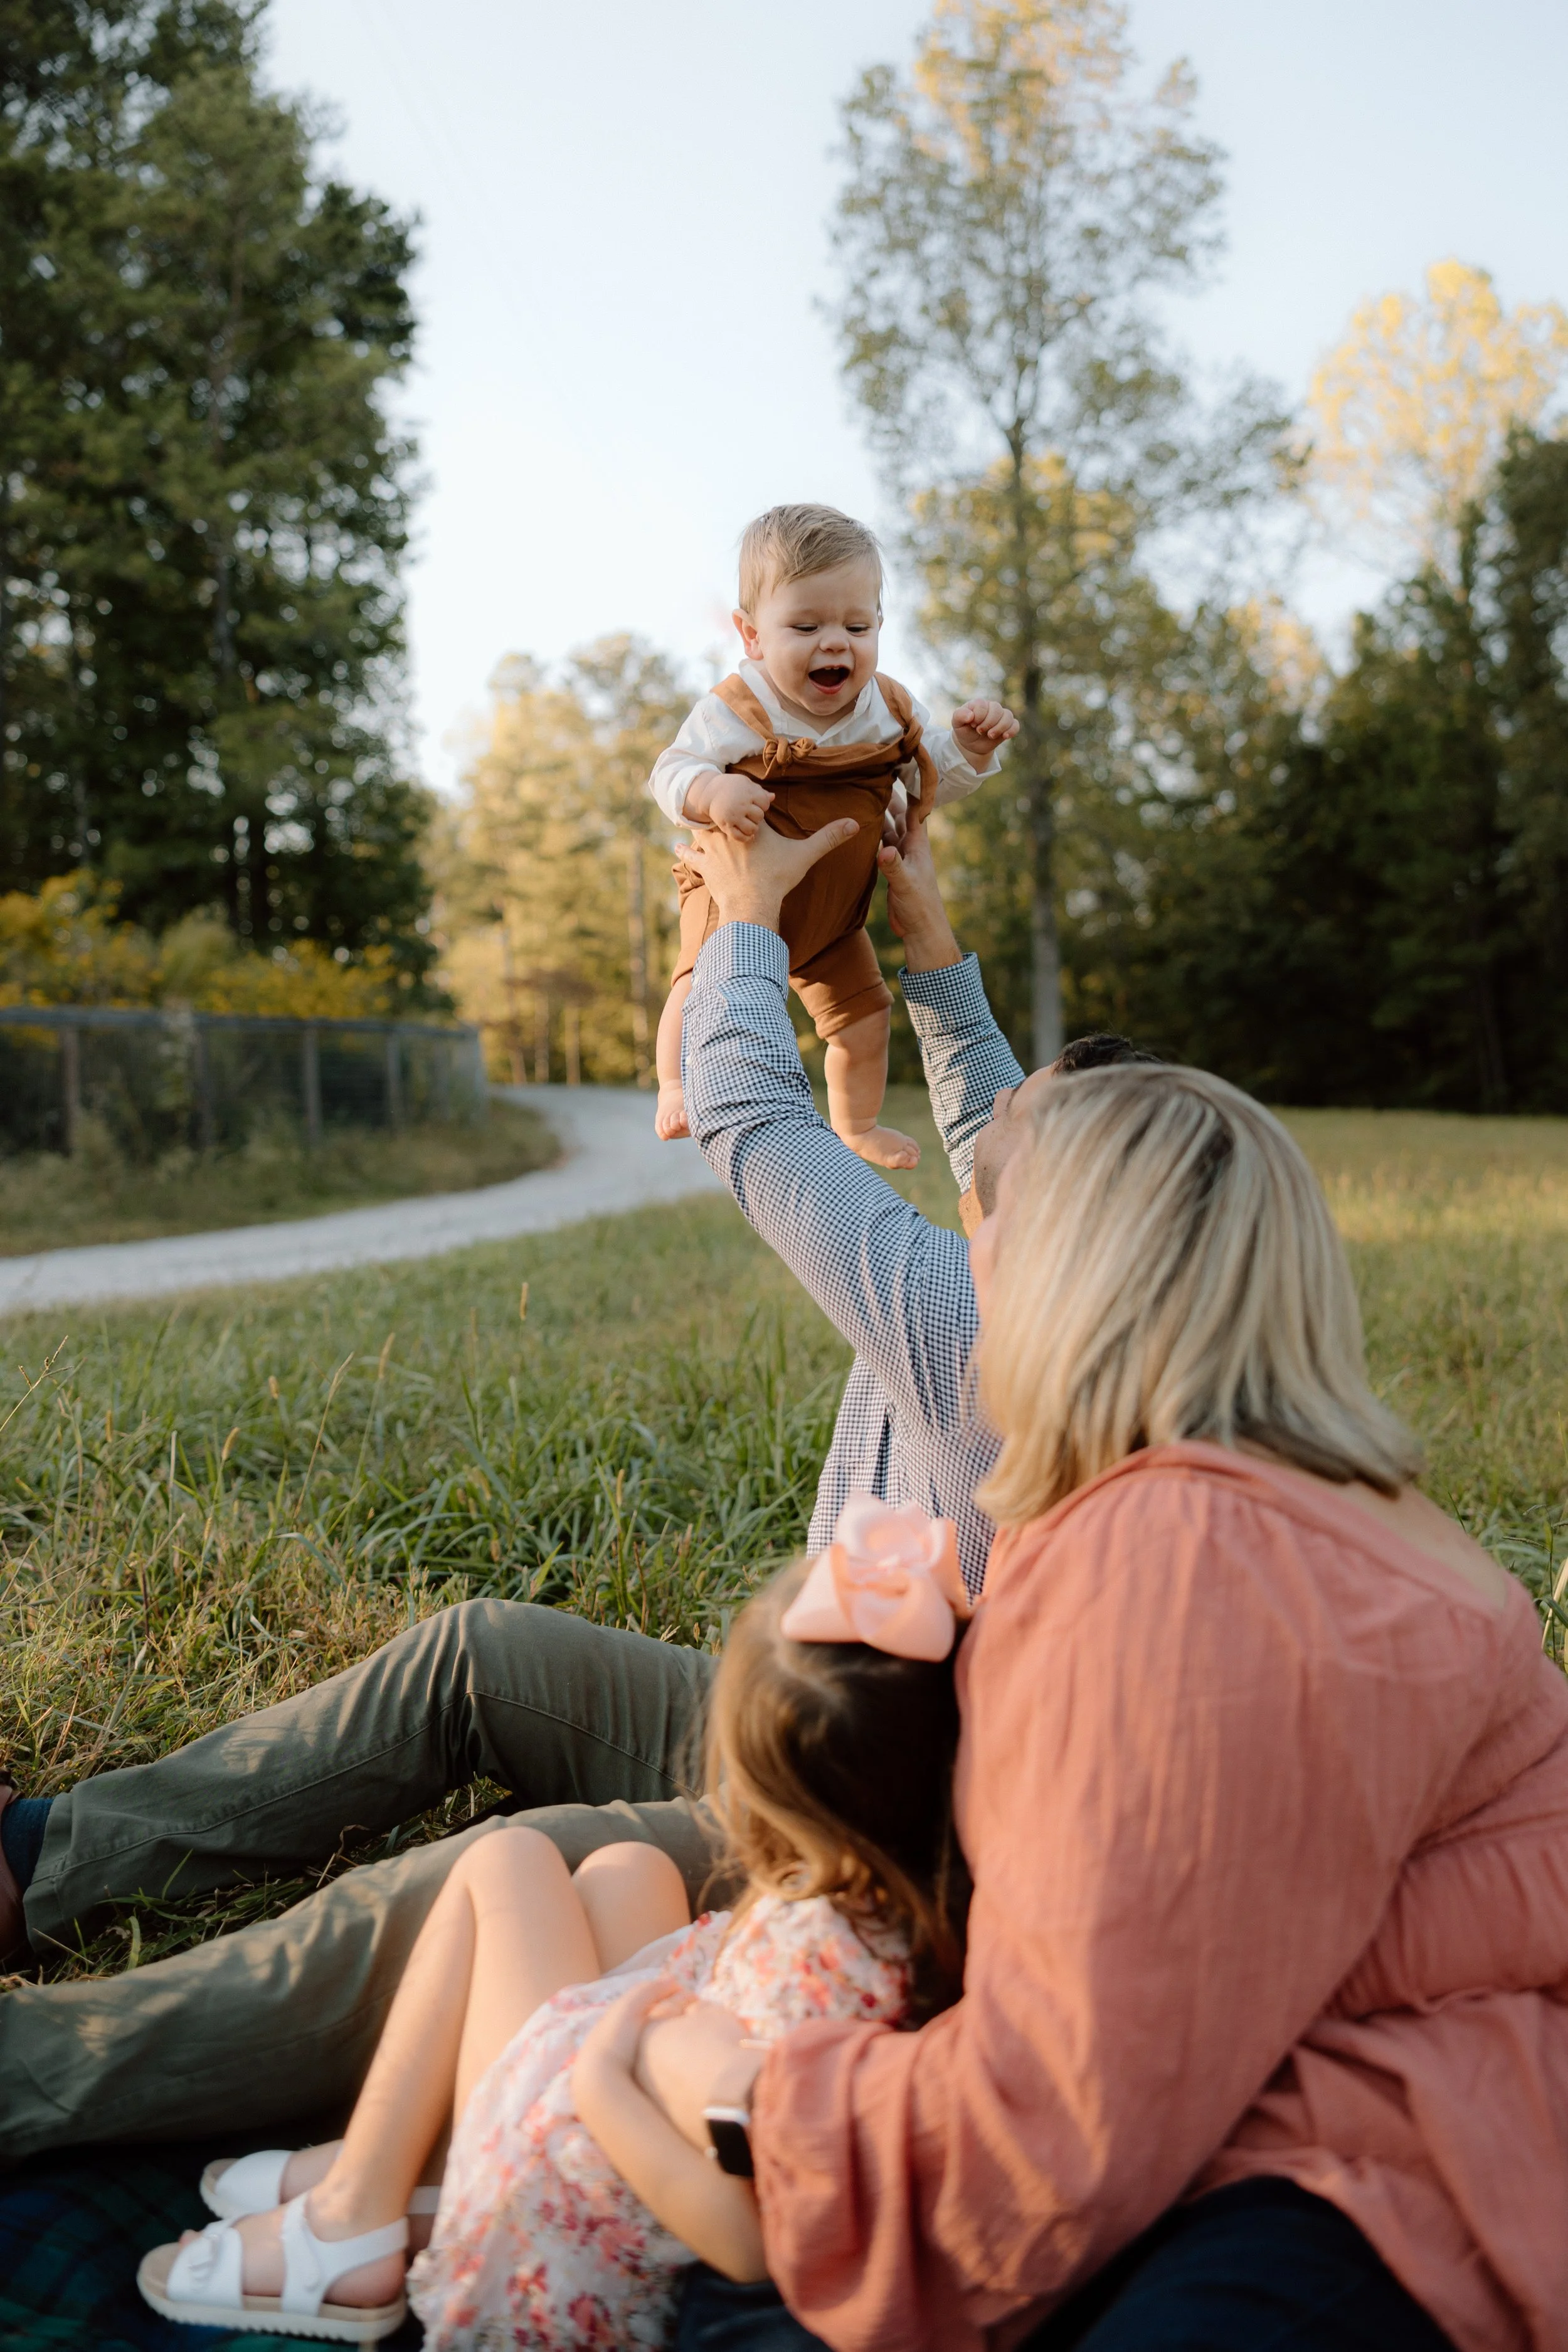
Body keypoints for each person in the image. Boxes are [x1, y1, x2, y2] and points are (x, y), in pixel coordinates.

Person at [0, 807, 1125, 2163]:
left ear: (1048, 1217)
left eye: (1009, 1134)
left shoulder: (961, 1320)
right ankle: (44, 1863)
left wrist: (746, 916)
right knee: (479, 1655)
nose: (981, 1129)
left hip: (859, 1842)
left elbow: (753, 1114)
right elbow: (997, 1127)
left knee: (484, 1884)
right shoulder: (1077, 1293)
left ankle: (42, 2072)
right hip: (824, 1729)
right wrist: (928, 943)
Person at [607, 845, 1568, 2352]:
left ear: (1060, 1274)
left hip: (1380, 2187)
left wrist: (706, 2078)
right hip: (1427, 2124)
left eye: (989, 1222)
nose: (964, 1252)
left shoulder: (1178, 1554)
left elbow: (1036, 2142)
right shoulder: (1337, 1509)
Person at [135, 1503, 970, 2345]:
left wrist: (601, 2082)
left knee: (508, 1865)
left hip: (562, 2254)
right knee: (630, 1868)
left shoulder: (815, 1982)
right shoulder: (876, 1911)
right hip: (618, 2126)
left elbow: (749, 2239)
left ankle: (351, 2221)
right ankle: (417, 2171)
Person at [648, 501, 1016, 1164]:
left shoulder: (890, 710)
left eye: (857, 624)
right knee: (696, 984)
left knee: (865, 1016)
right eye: (806, 624)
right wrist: (712, 790)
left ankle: (855, 1125)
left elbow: (931, 783)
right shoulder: (738, 707)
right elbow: (669, 772)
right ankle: (674, 1082)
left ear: (879, 625)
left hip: (834, 921)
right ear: (752, 635)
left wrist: (970, 748)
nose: (835, 643)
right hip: (735, 900)